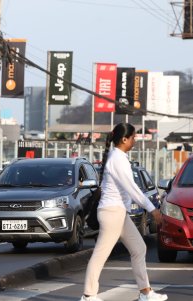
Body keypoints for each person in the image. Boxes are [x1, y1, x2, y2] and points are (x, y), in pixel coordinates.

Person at [79, 123, 167, 301]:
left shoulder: (118, 157)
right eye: (133, 137)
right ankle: (88, 295)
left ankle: (145, 292)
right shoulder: (117, 160)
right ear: (124, 139)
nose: (135, 140)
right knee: (100, 254)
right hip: (112, 213)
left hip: (118, 212)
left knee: (139, 248)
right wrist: (152, 210)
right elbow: (132, 189)